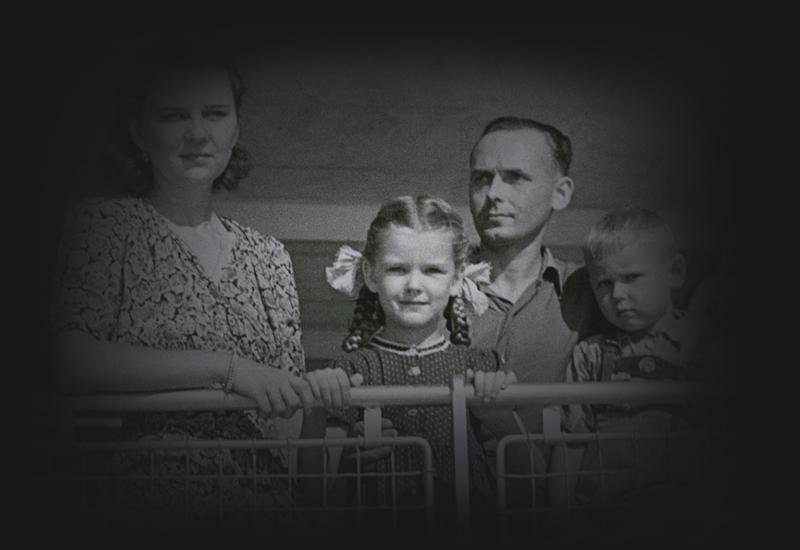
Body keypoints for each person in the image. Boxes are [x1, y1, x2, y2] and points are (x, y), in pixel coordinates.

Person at [47, 39, 343, 536]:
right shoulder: (102, 226)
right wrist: (229, 369)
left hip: (267, 505)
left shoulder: (268, 255)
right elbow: (70, 360)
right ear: (138, 130)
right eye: (172, 115)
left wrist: (323, 399)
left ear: (236, 127)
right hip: (152, 498)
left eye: (214, 113)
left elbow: (288, 411)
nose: (197, 133)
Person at [301, 195, 516, 540]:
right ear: (370, 274)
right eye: (397, 269)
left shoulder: (479, 367)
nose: (414, 285)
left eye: (433, 270)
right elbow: (314, 494)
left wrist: (499, 415)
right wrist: (315, 408)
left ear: (459, 278)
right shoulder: (351, 372)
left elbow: (528, 476)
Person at [548, 208, 725, 540]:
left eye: (631, 277)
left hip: (684, 518)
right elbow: (571, 442)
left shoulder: (706, 344)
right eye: (604, 283)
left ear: (675, 272)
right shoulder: (591, 354)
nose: (617, 295)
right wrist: (560, 515)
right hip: (601, 517)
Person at [465, 116, 606, 498]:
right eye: (481, 178)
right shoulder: (427, 286)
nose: (493, 192)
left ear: (560, 193)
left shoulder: (595, 292)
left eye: (514, 177)